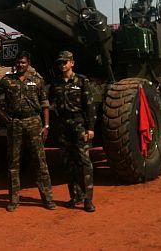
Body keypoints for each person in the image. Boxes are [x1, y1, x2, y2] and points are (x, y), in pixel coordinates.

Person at [0, 51, 55, 212]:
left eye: (23, 63)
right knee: (14, 163)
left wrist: (46, 126)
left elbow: (45, 104)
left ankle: (47, 198)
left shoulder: (37, 81)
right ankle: (13, 200)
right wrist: (4, 116)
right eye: (18, 62)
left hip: (34, 122)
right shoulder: (7, 81)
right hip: (15, 123)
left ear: (28, 64)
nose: (20, 65)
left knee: (40, 162)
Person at [49, 51, 96, 212]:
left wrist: (90, 128)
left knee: (84, 162)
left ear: (72, 63)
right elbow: (51, 103)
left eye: (65, 62)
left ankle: (88, 200)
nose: (62, 65)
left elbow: (89, 105)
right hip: (63, 125)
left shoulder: (82, 81)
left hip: (78, 124)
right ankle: (75, 196)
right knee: (68, 162)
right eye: (60, 63)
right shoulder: (56, 83)